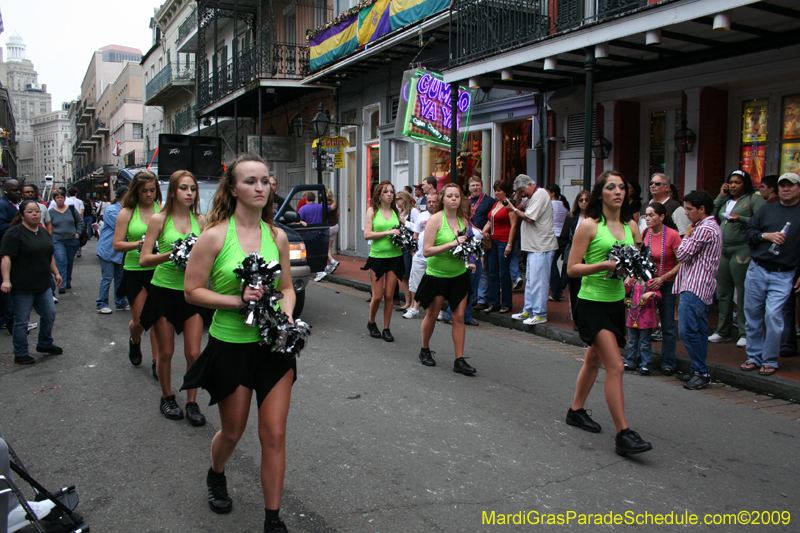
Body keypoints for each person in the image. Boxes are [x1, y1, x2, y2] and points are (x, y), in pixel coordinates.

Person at [182, 153, 296, 533]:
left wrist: (287, 315)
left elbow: (287, 288)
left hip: (273, 346)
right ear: (232, 189)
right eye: (250, 181)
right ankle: (216, 472)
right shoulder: (215, 236)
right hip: (230, 345)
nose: (260, 187)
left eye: (265, 180)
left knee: (274, 434)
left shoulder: (277, 236)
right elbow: (192, 291)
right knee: (233, 432)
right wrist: (237, 300)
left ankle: (272, 519)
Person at [565, 170, 651, 456]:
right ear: (600, 193)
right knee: (615, 366)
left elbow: (635, 264)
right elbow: (572, 268)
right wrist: (604, 265)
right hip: (591, 303)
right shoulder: (589, 226)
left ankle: (575, 410)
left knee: (593, 360)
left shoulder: (631, 226)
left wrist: (636, 277)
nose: (618, 192)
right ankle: (623, 434)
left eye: (622, 187)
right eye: (611, 187)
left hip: (616, 303)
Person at [139, 170, 206, 425]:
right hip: (163, 290)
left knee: (194, 352)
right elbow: (144, 260)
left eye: (193, 189)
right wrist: (173, 254)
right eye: (184, 188)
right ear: (173, 192)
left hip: (192, 293)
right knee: (165, 352)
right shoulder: (159, 219)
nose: (189, 193)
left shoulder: (201, 220)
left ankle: (192, 401)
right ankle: (166, 397)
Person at [740, 173, 800, 376]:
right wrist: (766, 236)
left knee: (773, 316)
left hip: (784, 273)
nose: (786, 189)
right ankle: (754, 357)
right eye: (782, 185)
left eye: (791, 185)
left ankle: (770, 359)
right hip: (757, 268)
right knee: (752, 316)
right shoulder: (767, 209)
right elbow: (748, 233)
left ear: (799, 188)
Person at [415, 183, 477, 375]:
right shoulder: (435, 220)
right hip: (437, 276)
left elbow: (467, 244)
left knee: (459, 317)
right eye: (450, 196)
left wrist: (471, 259)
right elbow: (427, 251)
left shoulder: (463, 220)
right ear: (443, 199)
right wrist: (452, 243)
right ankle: (425, 349)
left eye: (457, 196)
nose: (454, 199)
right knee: (432, 315)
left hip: (458, 276)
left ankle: (459, 360)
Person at [0, 200, 63, 365]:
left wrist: (56, 273)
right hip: (22, 286)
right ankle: (20, 353)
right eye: (30, 212)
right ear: (22, 215)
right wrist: (6, 280)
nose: (35, 214)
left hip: (43, 283)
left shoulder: (43, 232)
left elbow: (48, 255)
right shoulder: (14, 233)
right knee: (22, 321)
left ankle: (45, 343)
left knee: (49, 314)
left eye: (37, 211)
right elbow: (6, 257)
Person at [113, 171, 163, 375]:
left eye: (152, 190)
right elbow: (117, 244)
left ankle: (157, 362)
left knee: (157, 320)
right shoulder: (127, 212)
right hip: (135, 270)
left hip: (158, 269)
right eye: (144, 191)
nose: (149, 194)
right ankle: (134, 340)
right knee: (141, 320)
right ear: (136, 191)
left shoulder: (163, 210)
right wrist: (140, 244)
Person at [708, 169, 765, 347]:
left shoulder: (753, 199)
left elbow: (761, 221)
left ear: (745, 184)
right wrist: (720, 196)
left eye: (737, 182)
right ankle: (722, 331)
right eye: (731, 182)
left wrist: (740, 218)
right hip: (723, 249)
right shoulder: (726, 201)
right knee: (723, 291)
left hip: (742, 248)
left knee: (742, 291)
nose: (733, 185)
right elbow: (712, 215)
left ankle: (745, 332)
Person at [674, 190, 723, 390]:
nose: (686, 213)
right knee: (699, 332)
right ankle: (697, 369)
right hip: (700, 286)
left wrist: (686, 235)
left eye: (689, 209)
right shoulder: (710, 226)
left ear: (702, 209)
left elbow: (682, 255)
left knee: (687, 332)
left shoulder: (704, 229)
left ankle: (701, 372)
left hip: (695, 286)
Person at [508, 174, 558, 326]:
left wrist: (513, 209)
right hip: (534, 246)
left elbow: (529, 217)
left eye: (523, 190)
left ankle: (540, 313)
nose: (523, 194)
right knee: (530, 281)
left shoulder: (540, 194)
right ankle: (528, 310)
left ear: (530, 185)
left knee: (539, 282)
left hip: (541, 246)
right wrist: (518, 194)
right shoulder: (531, 196)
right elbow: (517, 204)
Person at [640, 202, 681, 375]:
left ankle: (668, 362)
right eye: (646, 215)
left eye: (652, 215)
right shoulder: (645, 233)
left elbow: (682, 262)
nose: (648, 218)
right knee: (645, 321)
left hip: (667, 283)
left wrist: (663, 278)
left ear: (662, 217)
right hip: (649, 283)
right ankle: (644, 360)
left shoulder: (672, 235)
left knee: (667, 324)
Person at [362, 180, 405, 342]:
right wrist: (388, 232)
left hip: (395, 256)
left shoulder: (396, 211)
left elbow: (401, 230)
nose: (389, 195)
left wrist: (402, 231)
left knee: (389, 295)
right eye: (386, 192)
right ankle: (371, 322)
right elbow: (367, 234)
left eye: (392, 192)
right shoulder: (372, 211)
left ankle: (386, 328)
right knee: (378, 296)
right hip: (378, 257)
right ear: (379, 195)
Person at [403, 189, 439, 320]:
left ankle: (435, 310)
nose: (431, 204)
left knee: (434, 285)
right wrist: (414, 251)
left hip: (435, 256)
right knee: (415, 283)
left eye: (434, 202)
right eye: (429, 202)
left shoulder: (442, 216)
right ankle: (414, 308)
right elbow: (416, 233)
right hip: (419, 256)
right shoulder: (422, 215)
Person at [483, 180, 517, 313]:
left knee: (503, 273)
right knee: (493, 272)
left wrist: (509, 244)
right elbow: (489, 221)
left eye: (499, 190)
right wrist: (482, 233)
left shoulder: (509, 204)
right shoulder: (496, 204)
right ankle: (494, 302)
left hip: (504, 241)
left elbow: (513, 225)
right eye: (495, 190)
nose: (496, 193)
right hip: (493, 241)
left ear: (505, 191)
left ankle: (507, 303)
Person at [96, 187, 130, 314]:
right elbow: (123, 227)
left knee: (120, 278)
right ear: (124, 196)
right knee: (107, 278)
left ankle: (120, 302)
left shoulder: (126, 210)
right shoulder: (111, 210)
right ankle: (101, 303)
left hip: (120, 252)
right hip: (108, 250)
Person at [560, 190, 589, 323]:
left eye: (586, 200)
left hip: (590, 257)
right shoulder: (571, 217)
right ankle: (577, 319)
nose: (584, 202)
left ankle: (587, 318)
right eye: (581, 200)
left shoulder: (595, 218)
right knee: (575, 288)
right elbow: (564, 237)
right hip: (575, 256)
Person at [467, 176, 495, 312]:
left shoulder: (489, 201)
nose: (475, 188)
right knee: (472, 270)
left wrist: (486, 232)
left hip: (484, 239)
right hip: (470, 239)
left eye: (478, 185)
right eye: (473, 185)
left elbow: (493, 219)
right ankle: (473, 299)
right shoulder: (466, 201)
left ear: (482, 186)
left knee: (483, 271)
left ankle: (482, 299)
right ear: (469, 188)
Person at [48, 188, 83, 295]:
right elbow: (48, 225)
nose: (60, 199)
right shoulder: (51, 212)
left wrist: (78, 233)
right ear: (54, 199)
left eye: (61, 197)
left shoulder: (71, 209)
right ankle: (61, 284)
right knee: (61, 261)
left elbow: (80, 221)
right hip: (58, 240)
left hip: (71, 239)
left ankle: (67, 280)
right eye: (57, 198)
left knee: (69, 261)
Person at [623, 277, 660, 375]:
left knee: (644, 342)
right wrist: (628, 280)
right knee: (632, 341)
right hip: (633, 316)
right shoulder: (633, 282)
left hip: (645, 318)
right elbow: (624, 291)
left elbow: (659, 296)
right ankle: (631, 361)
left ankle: (645, 364)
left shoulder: (650, 282)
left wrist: (652, 293)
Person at [0, 179, 22, 334]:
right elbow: (2, 227)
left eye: (19, 189)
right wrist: (21, 227)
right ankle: (10, 321)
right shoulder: (3, 205)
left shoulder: (12, 205)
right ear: (6, 191)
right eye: (15, 190)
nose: (19, 193)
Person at [395, 190, 419, 311]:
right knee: (404, 275)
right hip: (402, 246)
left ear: (403, 200)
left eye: (397, 199)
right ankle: (407, 302)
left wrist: (406, 222)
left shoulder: (413, 211)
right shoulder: (400, 212)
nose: (395, 202)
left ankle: (413, 303)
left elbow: (419, 228)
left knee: (411, 275)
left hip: (411, 247)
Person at [546, 183, 569, 302]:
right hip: (563, 237)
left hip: (553, 235)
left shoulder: (551, 204)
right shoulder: (564, 205)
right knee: (553, 263)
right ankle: (557, 289)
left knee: (551, 264)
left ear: (553, 193)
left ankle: (556, 291)